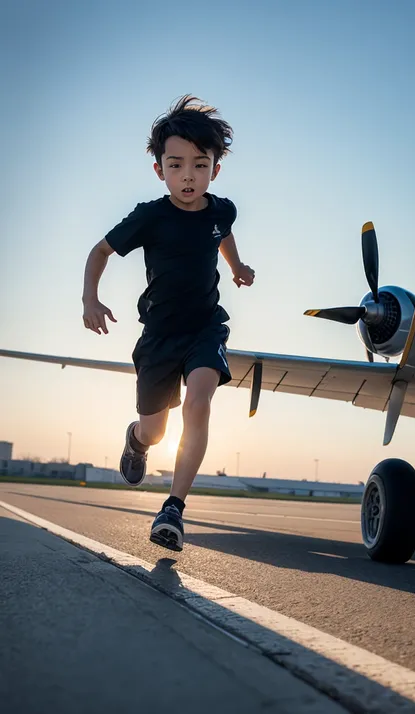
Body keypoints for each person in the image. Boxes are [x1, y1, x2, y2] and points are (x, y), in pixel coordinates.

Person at [81, 96, 255, 551]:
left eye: (200, 165)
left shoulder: (222, 210)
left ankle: (173, 509)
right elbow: (100, 252)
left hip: (206, 328)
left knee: (199, 401)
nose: (188, 176)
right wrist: (90, 299)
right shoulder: (150, 217)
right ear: (160, 169)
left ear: (215, 169)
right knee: (155, 430)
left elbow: (224, 233)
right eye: (176, 165)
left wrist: (236, 267)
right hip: (159, 336)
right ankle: (136, 441)